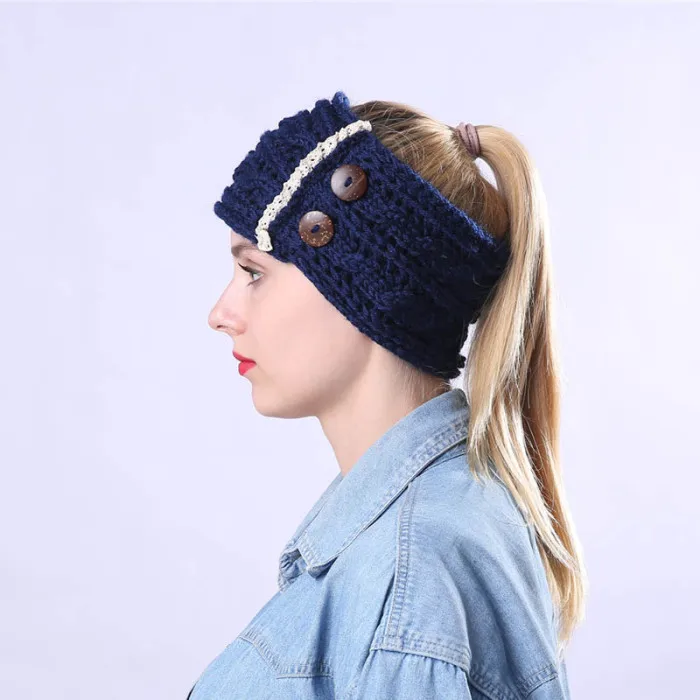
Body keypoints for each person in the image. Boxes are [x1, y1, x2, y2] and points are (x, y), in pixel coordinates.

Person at [189, 90, 587, 699]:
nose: (221, 314)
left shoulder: (412, 574)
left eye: (254, 272)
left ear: (369, 288)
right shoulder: (425, 532)